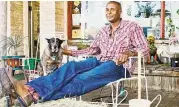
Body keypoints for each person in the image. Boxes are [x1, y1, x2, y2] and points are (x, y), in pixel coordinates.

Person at [8, 1, 149, 106]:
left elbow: (145, 49)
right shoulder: (103, 31)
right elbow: (92, 50)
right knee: (70, 67)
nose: (109, 12)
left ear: (120, 12)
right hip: (99, 61)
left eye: (113, 9)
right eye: (107, 10)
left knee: (82, 78)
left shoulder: (132, 27)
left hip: (118, 66)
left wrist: (129, 52)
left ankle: (34, 94)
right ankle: (30, 88)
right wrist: (69, 51)